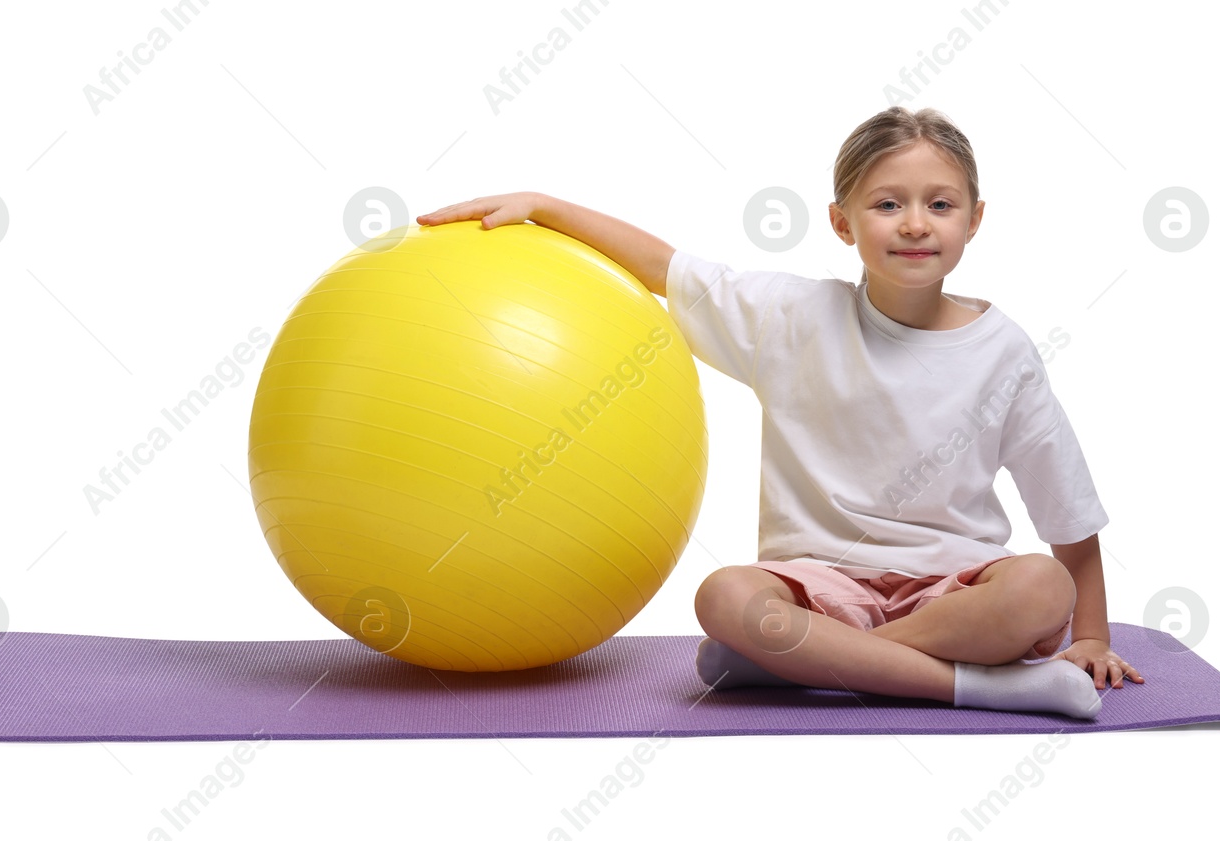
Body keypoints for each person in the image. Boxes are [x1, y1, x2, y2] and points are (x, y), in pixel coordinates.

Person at [416, 105, 1143, 719]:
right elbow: (667, 268)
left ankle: (814, 666)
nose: (915, 223)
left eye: (940, 204)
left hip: (957, 593)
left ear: (975, 219)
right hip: (817, 592)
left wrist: (1091, 634)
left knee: (1041, 588)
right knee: (726, 594)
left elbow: (1068, 518)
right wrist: (546, 206)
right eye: (888, 204)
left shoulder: (1004, 351)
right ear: (841, 221)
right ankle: (978, 688)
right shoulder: (791, 315)